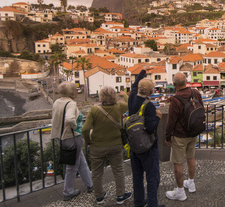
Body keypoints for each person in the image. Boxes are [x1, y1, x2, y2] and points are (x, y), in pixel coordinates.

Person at [82, 87, 132, 205]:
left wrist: (88, 141)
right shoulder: (118, 107)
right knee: (118, 170)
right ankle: (120, 195)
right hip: (115, 144)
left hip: (97, 146)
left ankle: (99, 197)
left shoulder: (94, 110)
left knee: (97, 172)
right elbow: (130, 103)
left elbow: (85, 129)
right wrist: (124, 94)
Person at [50, 82, 93, 201]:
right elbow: (69, 119)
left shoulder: (57, 102)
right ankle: (67, 191)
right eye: (75, 90)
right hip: (72, 137)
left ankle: (90, 184)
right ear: (70, 92)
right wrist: (75, 128)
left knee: (81, 161)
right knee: (72, 166)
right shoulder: (71, 104)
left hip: (61, 137)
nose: (76, 92)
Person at [165, 72, 204, 201]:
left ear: (174, 84)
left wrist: (167, 136)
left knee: (178, 163)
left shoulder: (175, 100)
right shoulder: (195, 93)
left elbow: (171, 121)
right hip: (193, 132)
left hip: (180, 135)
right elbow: (201, 109)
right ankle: (191, 183)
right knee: (191, 157)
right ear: (186, 81)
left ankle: (180, 191)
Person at [128, 69, 162, 207]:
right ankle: (153, 204)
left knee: (137, 177)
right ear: (150, 92)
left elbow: (134, 86)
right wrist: (157, 117)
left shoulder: (131, 98)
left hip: (134, 145)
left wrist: (142, 72)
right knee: (152, 177)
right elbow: (150, 128)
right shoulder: (149, 106)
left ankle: (139, 202)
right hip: (148, 146)